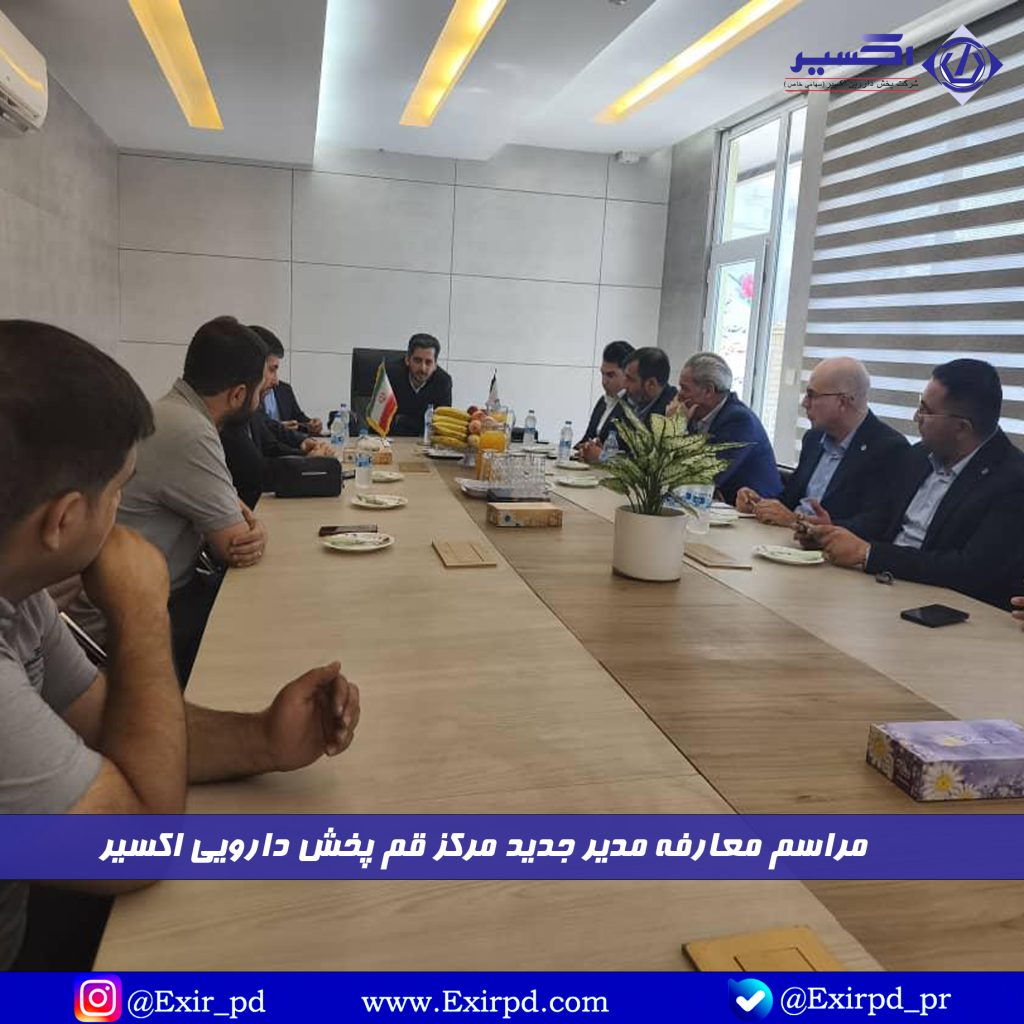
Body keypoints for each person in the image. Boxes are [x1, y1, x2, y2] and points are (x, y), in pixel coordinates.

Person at [0, 320, 360, 971]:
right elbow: (138, 844)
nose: (124, 510)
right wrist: (142, 608)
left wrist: (262, 738)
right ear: (64, 520)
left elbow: (105, 718)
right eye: (119, 491)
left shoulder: (19, 597)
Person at [71, 316, 270, 683]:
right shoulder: (190, 432)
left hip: (147, 597)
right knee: (257, 633)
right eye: (261, 390)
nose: (262, 398)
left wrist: (238, 514)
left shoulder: (174, 413)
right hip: (127, 621)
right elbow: (235, 546)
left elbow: (229, 506)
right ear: (238, 395)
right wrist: (257, 530)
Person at [809, 359, 1024, 610]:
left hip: (944, 608)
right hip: (879, 589)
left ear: (961, 428)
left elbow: (970, 570)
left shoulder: (1012, 481)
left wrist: (869, 554)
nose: (915, 417)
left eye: (925, 411)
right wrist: (830, 531)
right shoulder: (918, 456)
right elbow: (881, 519)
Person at [736, 357, 908, 534]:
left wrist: (799, 522)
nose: (804, 403)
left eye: (812, 395)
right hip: (784, 538)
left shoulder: (888, 449)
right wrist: (759, 504)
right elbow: (790, 500)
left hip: (828, 547)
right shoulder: (813, 439)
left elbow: (875, 525)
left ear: (842, 402)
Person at [222, 326, 335, 507]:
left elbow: (271, 446)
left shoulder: (251, 411)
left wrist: (306, 453)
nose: (276, 381)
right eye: (271, 370)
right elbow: (256, 474)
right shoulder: (227, 418)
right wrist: (307, 463)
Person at [667, 352, 782, 505]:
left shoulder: (739, 420)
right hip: (716, 507)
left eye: (685, 388)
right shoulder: (694, 414)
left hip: (756, 511)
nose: (679, 395)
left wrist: (675, 429)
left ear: (708, 391)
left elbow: (700, 478)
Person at [385, 334, 453, 437]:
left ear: (435, 365)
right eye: (417, 360)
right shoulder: (390, 375)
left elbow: (442, 425)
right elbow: (380, 421)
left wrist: (403, 420)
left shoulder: (443, 382)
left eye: (428, 362)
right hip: (391, 439)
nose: (422, 368)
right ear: (407, 360)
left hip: (425, 441)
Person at [577, 340, 634, 464]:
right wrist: (583, 449)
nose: (604, 381)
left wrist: (602, 456)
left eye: (610, 375)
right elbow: (586, 439)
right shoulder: (602, 403)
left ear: (628, 374)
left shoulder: (634, 409)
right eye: (602, 374)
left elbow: (630, 457)